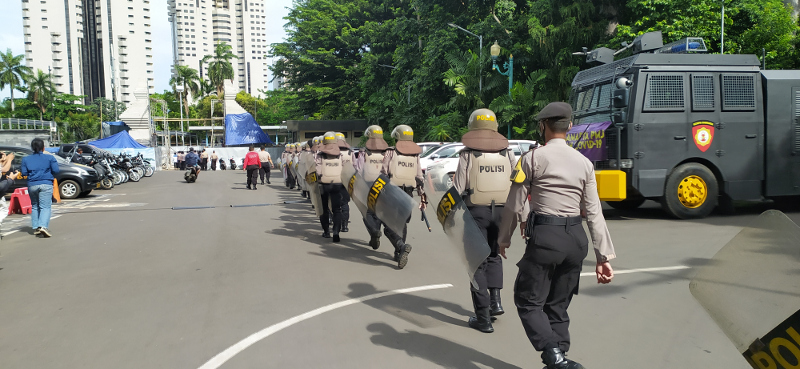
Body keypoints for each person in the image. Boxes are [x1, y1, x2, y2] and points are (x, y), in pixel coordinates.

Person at [499, 102, 616, 369]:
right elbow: (594, 212)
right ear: (570, 127)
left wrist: (503, 239)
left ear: (543, 126)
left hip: (546, 238)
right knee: (557, 305)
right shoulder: (585, 163)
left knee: (527, 300)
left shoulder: (531, 159)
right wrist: (603, 257)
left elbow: (514, 204)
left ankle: (553, 353)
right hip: (576, 240)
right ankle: (560, 360)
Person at [453, 109, 516, 333]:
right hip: (503, 212)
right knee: (494, 255)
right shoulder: (507, 153)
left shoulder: (468, 154)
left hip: (476, 212)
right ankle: (496, 302)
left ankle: (483, 317)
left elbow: (458, 187)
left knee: (476, 262)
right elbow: (516, 183)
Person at [380, 125, 426, 269]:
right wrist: (422, 196)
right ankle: (398, 252)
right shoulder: (415, 155)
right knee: (402, 223)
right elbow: (419, 177)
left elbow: (383, 172)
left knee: (388, 227)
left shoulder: (391, 152)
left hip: (392, 192)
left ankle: (401, 246)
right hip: (408, 193)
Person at [356, 125, 389, 251]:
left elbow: (359, 170)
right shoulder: (388, 151)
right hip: (385, 186)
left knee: (368, 213)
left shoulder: (364, 151)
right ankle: (375, 235)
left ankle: (374, 231)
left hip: (369, 186)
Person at [20, 138, 60, 238]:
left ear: (32, 148)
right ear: (43, 147)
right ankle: (43, 226)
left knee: (35, 206)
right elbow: (56, 170)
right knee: (45, 207)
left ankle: (36, 227)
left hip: (32, 184)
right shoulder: (50, 158)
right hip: (46, 183)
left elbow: (24, 173)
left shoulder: (26, 159)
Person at [315, 132, 347, 241]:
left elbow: (318, 170)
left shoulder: (320, 155)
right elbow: (344, 170)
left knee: (324, 209)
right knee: (337, 209)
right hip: (337, 184)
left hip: (324, 185)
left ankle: (326, 232)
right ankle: (336, 232)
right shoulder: (340, 155)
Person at [335, 132, 352, 232]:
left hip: (335, 180)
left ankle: (336, 224)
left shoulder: (333, 152)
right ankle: (345, 225)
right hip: (347, 180)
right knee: (345, 203)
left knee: (335, 204)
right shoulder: (350, 152)